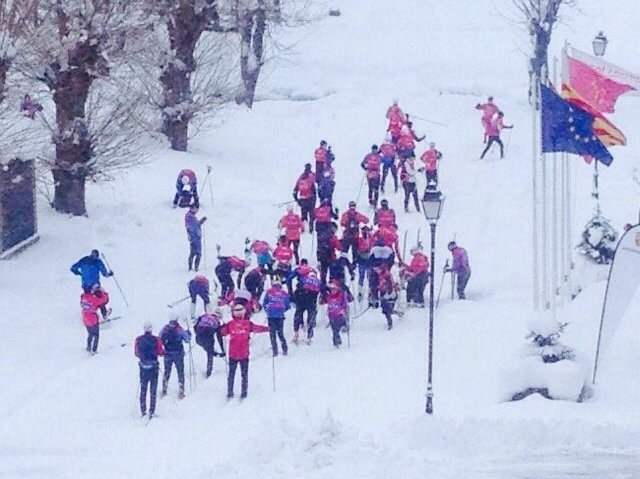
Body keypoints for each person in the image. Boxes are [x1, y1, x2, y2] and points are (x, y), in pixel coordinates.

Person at [219, 302, 270, 399]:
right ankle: (241, 392)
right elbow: (258, 329)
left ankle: (233, 392)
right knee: (242, 374)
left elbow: (222, 333)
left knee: (233, 374)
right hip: (241, 354)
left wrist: (220, 326)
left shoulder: (232, 324)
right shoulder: (244, 324)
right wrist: (269, 328)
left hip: (236, 354)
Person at [286, 260, 321, 344]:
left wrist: (291, 294)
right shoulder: (314, 274)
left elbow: (289, 279)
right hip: (311, 299)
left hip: (301, 297)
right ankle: (309, 336)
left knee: (298, 315)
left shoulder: (299, 270)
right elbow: (321, 289)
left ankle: (296, 334)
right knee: (311, 317)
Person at [135, 322, 164, 418]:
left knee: (143, 389)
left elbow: (136, 353)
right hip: (153, 367)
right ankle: (152, 410)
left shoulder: (138, 339)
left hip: (143, 367)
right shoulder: (156, 339)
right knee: (153, 390)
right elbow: (160, 352)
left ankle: (143, 410)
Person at [160, 313, 192, 399]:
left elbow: (159, 339)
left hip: (167, 354)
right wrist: (189, 334)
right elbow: (187, 340)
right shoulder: (179, 329)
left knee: (167, 372)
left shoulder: (165, 328)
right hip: (178, 354)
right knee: (180, 372)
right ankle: (181, 391)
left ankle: (164, 390)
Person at [194, 310, 225, 378]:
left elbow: (195, 326)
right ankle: (209, 371)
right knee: (209, 352)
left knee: (207, 348)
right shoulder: (217, 322)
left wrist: (198, 334)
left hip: (198, 337)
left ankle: (213, 352)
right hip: (208, 337)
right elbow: (219, 337)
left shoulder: (204, 315)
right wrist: (223, 350)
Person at [262, 280, 290, 356]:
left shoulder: (269, 292)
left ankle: (275, 351)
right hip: (280, 316)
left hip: (271, 316)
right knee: (281, 334)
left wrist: (268, 310)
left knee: (272, 334)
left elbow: (264, 303)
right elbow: (287, 305)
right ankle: (285, 349)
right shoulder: (284, 293)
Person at [80, 284, 110, 354]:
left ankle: (88, 347)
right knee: (96, 335)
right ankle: (94, 350)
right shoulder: (93, 299)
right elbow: (104, 300)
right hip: (92, 318)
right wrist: (103, 292)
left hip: (85, 317)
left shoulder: (83, 297)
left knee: (90, 333)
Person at [321, 280, 351, 348]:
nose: (333, 291)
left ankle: (345, 327)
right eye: (331, 289)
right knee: (334, 330)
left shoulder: (341, 296)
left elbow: (346, 304)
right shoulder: (328, 296)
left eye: (334, 289)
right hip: (331, 316)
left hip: (340, 315)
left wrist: (345, 308)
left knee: (342, 323)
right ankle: (336, 342)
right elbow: (322, 301)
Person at [293, 163, 316, 233]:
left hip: (302, 199)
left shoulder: (300, 178)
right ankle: (311, 228)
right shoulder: (310, 178)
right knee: (311, 214)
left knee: (303, 215)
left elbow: (294, 191)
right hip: (310, 199)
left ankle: (303, 228)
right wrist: (314, 201)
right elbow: (314, 191)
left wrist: (297, 200)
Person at [185, 204, 207, 271]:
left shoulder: (190, 216)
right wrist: (201, 221)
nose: (196, 210)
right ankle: (195, 267)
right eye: (195, 208)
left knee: (193, 253)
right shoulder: (190, 216)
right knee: (197, 253)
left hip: (194, 237)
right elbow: (195, 226)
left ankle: (192, 266)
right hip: (195, 237)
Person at [355, 226, 374, 301]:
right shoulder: (359, 239)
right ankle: (360, 292)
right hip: (361, 259)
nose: (365, 232)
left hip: (369, 259)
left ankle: (370, 292)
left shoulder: (371, 238)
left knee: (369, 276)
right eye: (363, 231)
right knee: (361, 276)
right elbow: (356, 248)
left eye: (367, 231)